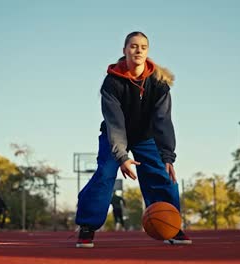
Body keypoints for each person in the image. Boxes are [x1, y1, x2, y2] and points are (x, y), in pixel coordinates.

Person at [75, 31, 192, 248]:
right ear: (124, 50)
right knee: (105, 174)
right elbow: (115, 123)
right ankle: (87, 226)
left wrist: (168, 155)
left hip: (145, 137)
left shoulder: (158, 83)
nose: (138, 50)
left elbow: (163, 121)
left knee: (162, 175)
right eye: (133, 46)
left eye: (143, 47)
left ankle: (170, 225)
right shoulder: (112, 83)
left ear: (147, 51)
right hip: (115, 136)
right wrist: (122, 157)